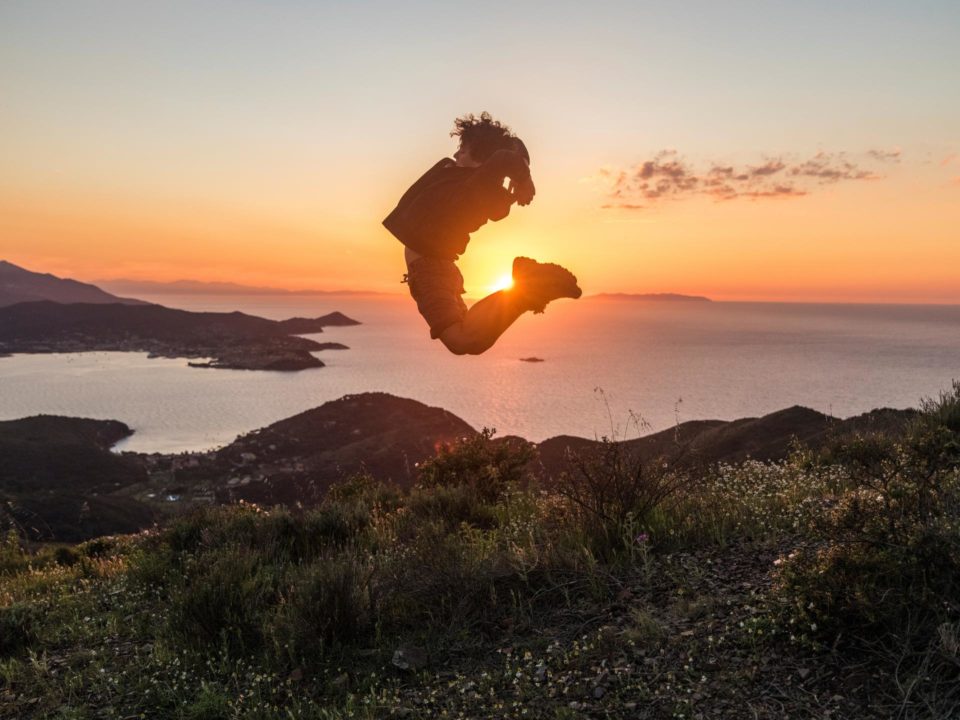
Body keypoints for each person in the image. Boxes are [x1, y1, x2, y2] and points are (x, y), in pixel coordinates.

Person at [382, 112, 582, 355]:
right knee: (470, 337)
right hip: (440, 268)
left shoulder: (473, 185)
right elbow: (499, 167)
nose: (456, 155)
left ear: (481, 162)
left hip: (430, 269)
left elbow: (503, 158)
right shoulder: (465, 183)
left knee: (463, 340)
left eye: (463, 151)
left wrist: (524, 180)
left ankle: (526, 289)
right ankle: (528, 290)